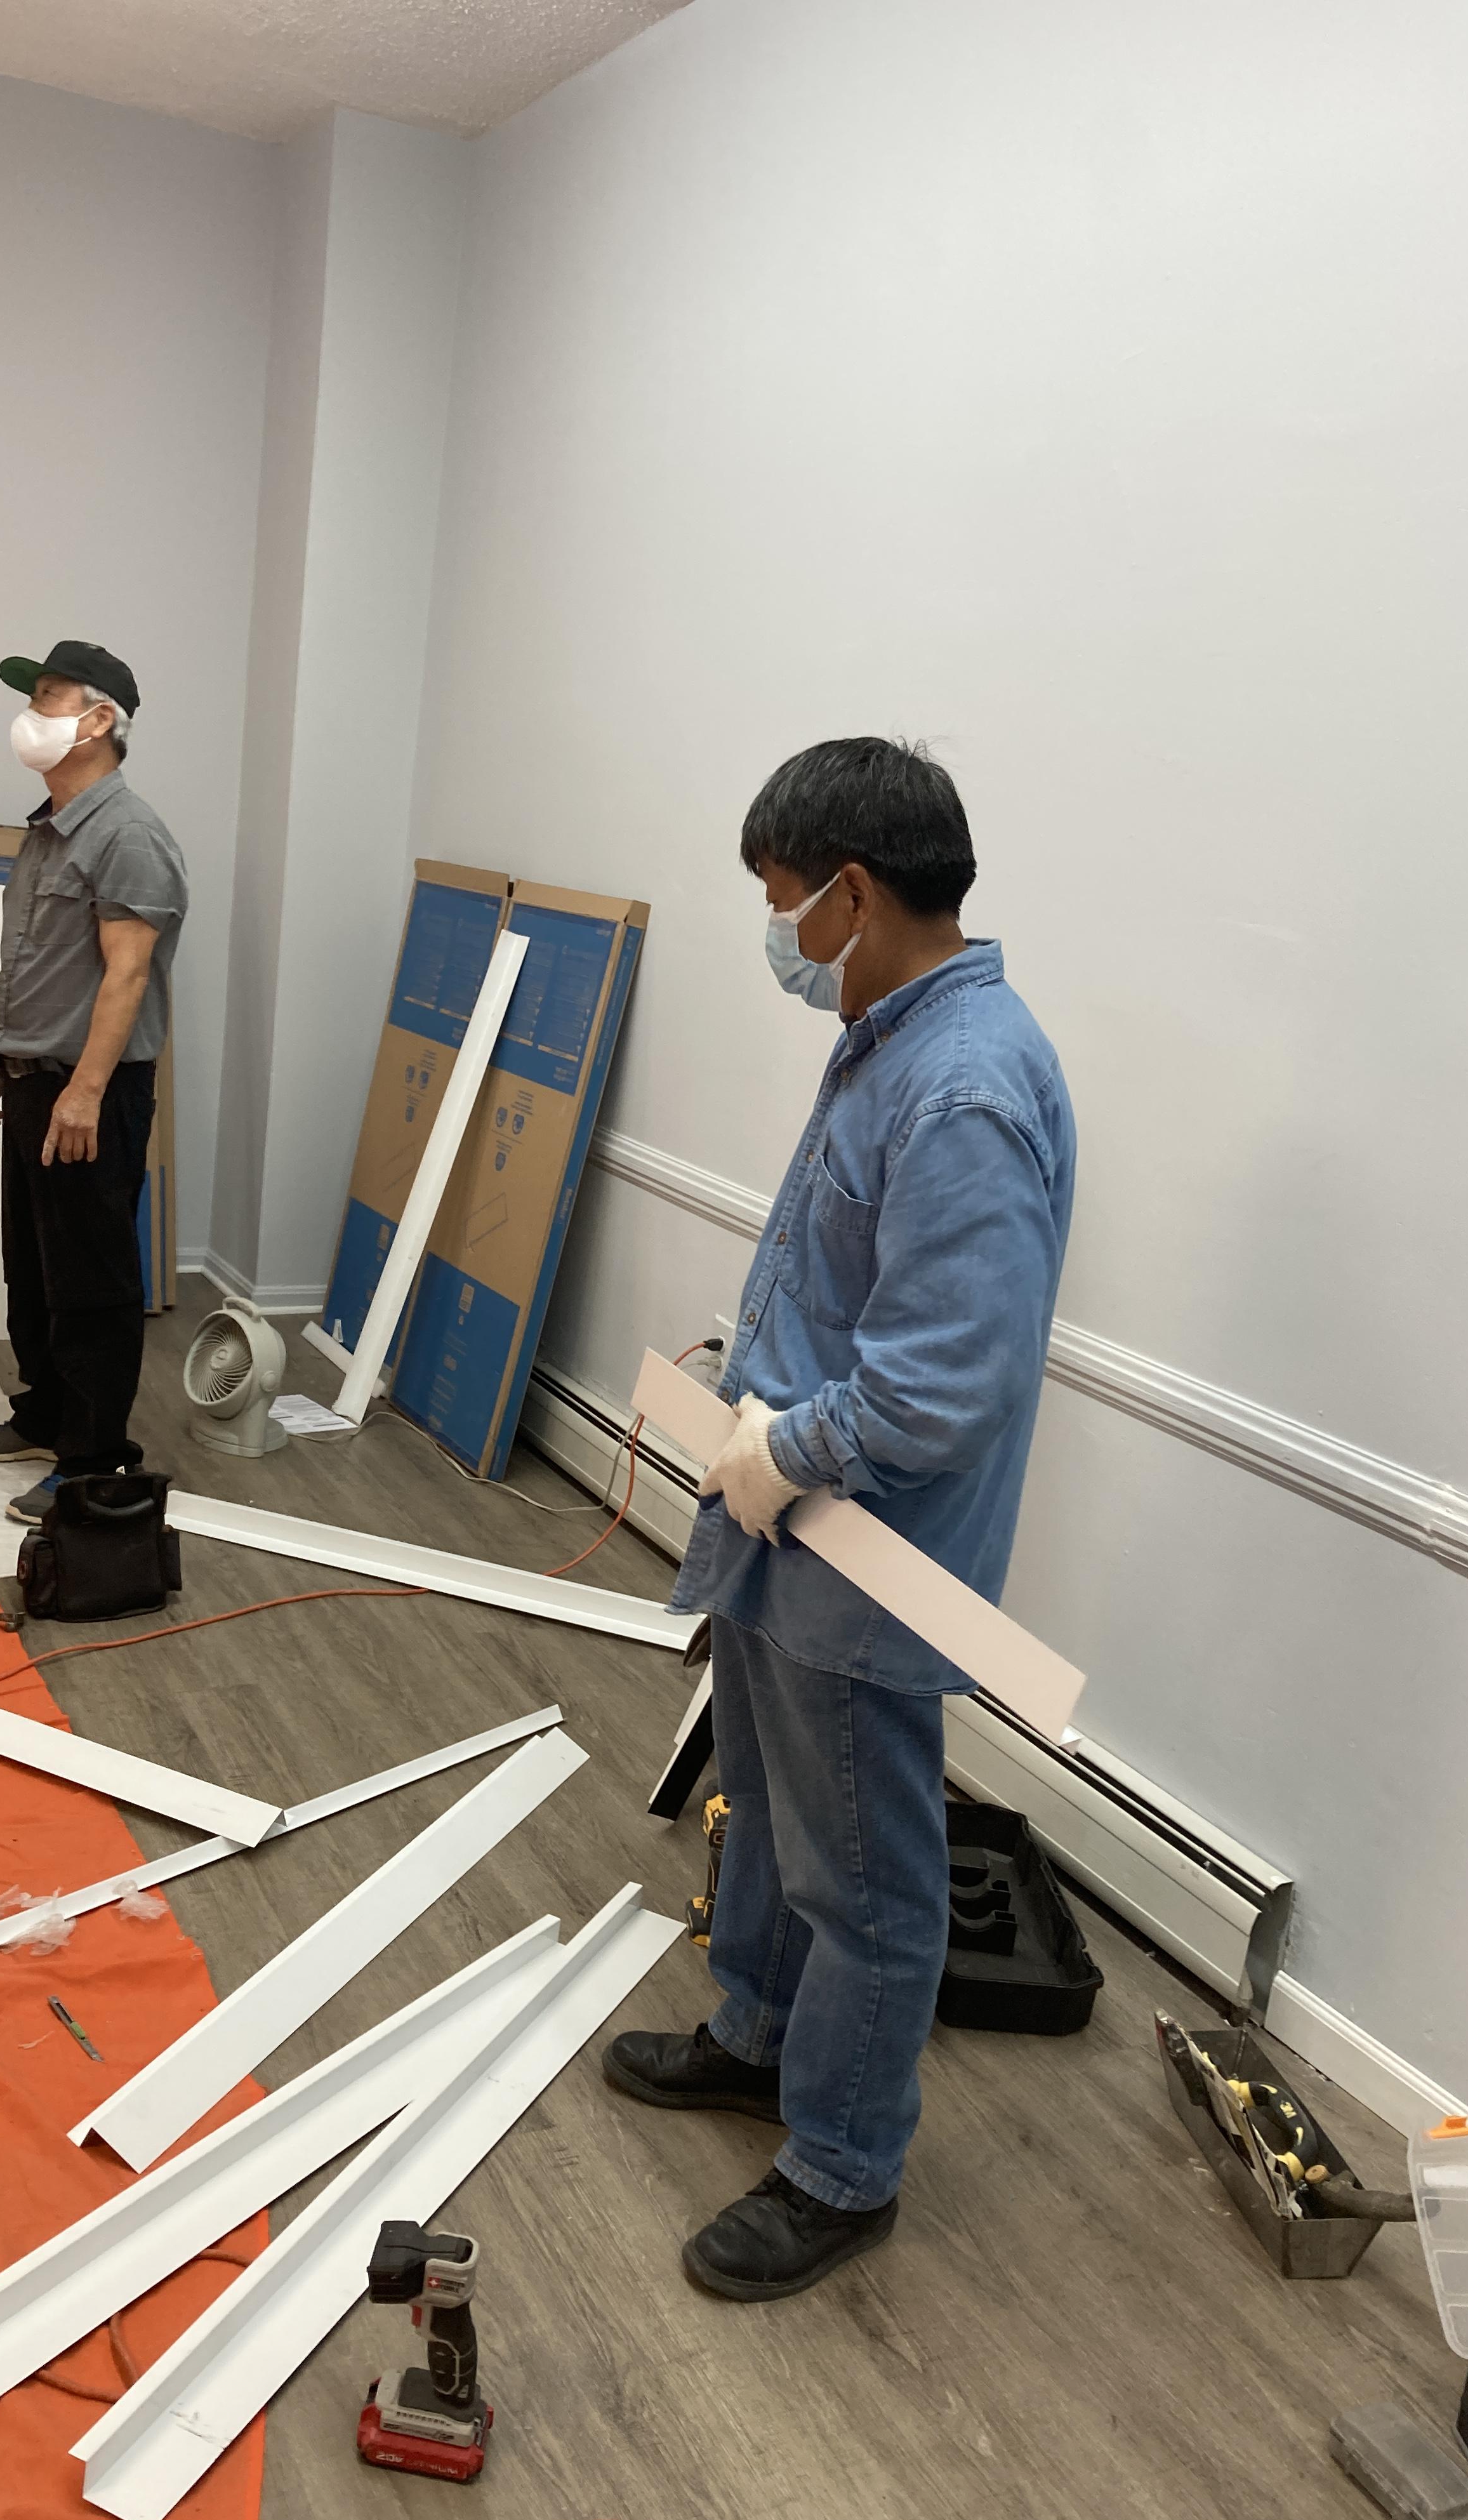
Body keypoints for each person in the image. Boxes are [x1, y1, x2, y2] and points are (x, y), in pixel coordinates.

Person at [603, 737, 1075, 2301]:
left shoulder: (966, 1086)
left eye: (783, 900)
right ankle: (755, 2032)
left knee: (863, 1875)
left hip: (864, 1562)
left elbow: (950, 1381)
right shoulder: (893, 1035)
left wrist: (789, 1444)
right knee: (767, 1808)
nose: (779, 934)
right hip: (785, 1522)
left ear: (855, 896)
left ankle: (842, 2167)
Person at [0, 641, 188, 1526]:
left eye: (49, 697)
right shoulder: (50, 830)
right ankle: (47, 1414)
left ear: (98, 721)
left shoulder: (129, 836)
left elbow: (127, 976)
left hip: (89, 1090)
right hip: (32, 1080)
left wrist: (85, 1092)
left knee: (91, 1278)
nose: (32, 713)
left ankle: (95, 1459)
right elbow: (30, 965)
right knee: (35, 1267)